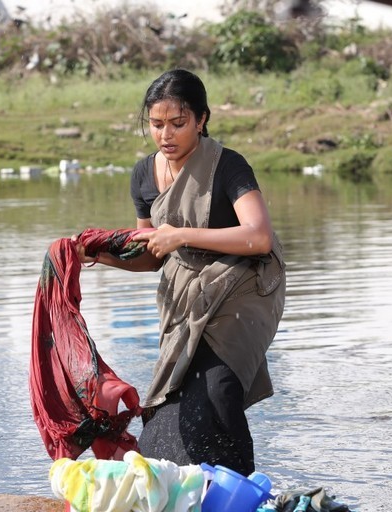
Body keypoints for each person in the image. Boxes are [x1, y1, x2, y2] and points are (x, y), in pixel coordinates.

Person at [74, 68, 286, 476]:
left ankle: (244, 490)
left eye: (178, 123)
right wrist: (98, 256)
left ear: (201, 120)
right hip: (188, 293)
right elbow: (152, 255)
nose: (166, 135)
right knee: (168, 409)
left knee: (219, 388)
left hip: (245, 284)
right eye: (156, 124)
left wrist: (181, 235)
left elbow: (259, 237)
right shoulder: (143, 174)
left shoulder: (228, 166)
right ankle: (184, 487)